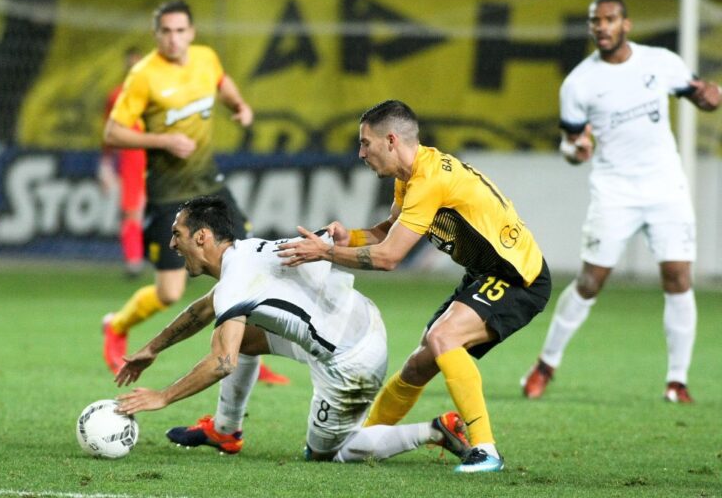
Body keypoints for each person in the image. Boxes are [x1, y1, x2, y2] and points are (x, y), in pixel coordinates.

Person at [277, 100, 551, 473]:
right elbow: (386, 233)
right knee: (419, 364)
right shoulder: (410, 176)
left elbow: (389, 257)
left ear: (391, 140)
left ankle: (486, 450)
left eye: (365, 143)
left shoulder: (429, 179)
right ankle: (364, 441)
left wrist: (324, 253)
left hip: (517, 276)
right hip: (484, 273)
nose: (361, 153)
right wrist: (347, 238)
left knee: (443, 339)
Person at [115, 195, 471, 466]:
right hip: (359, 318)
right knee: (242, 338)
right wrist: (153, 348)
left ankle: (434, 430)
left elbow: (223, 363)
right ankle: (225, 431)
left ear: (202, 237)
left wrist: (163, 397)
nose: (172, 244)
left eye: (177, 235)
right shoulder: (246, 252)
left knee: (328, 453)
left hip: (352, 360)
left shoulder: (235, 285)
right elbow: (204, 309)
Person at [520, 0, 720, 404]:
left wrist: (711, 98)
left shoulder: (660, 62)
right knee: (590, 281)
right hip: (614, 191)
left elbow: (702, 96)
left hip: (666, 188)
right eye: (596, 21)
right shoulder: (578, 83)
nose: (602, 27)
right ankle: (545, 365)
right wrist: (575, 151)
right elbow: (571, 143)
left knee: (678, 277)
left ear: (625, 24)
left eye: (610, 19)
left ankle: (677, 381)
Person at [101, 0, 289, 387]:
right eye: (166, 32)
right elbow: (112, 133)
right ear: (157, 35)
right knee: (170, 292)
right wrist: (163, 140)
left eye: (180, 31)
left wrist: (239, 105)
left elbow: (222, 83)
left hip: (210, 184)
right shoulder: (143, 75)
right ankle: (116, 325)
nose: (173, 38)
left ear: (191, 32)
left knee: (247, 265)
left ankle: (248, 348)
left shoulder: (206, 58)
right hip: (169, 192)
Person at [98, 47, 147, 278]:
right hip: (130, 158)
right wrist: (106, 163)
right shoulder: (116, 96)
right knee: (131, 212)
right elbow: (109, 132)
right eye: (130, 65)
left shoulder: (158, 95)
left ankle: (180, 261)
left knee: (169, 209)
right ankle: (133, 261)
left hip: (158, 156)